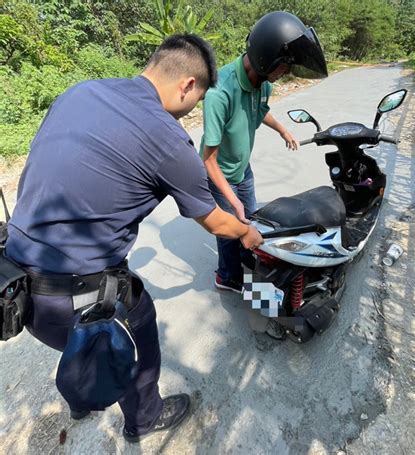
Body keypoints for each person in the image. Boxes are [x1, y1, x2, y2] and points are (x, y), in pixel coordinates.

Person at [4, 34, 263, 443]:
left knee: (86, 328)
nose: (189, 112)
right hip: (74, 300)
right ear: (188, 86)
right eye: (194, 103)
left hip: (14, 282)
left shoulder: (81, 92)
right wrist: (247, 232)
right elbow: (214, 222)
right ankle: (144, 417)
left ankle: (82, 397)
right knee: (139, 321)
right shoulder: (168, 140)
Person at [200, 11, 328, 294]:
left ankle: (246, 251)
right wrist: (231, 199)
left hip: (242, 168)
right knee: (230, 227)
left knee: (252, 217)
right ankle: (227, 276)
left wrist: (283, 130)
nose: (285, 73)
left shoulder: (264, 84)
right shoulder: (219, 94)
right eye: (282, 66)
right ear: (264, 58)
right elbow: (208, 160)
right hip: (221, 174)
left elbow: (261, 110)